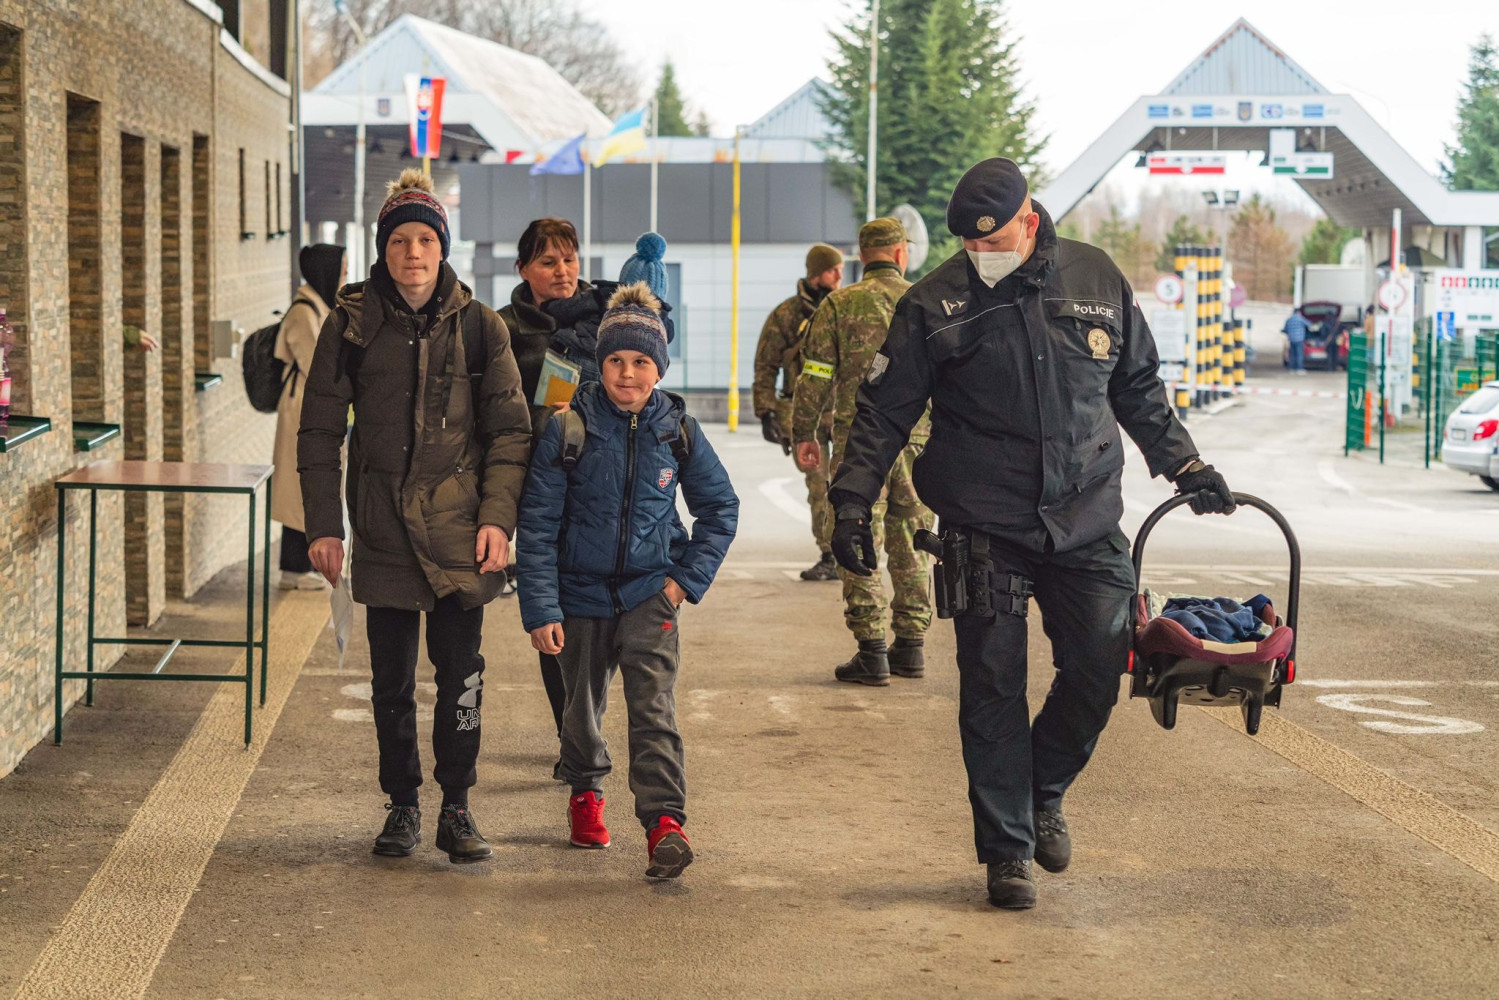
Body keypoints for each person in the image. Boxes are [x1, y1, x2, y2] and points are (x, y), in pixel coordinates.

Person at [828, 158, 1238, 910]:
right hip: (986, 520)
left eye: (993, 242)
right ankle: (1006, 850)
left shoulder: (1094, 276)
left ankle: (1040, 789)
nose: (980, 255)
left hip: (1085, 517)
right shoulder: (934, 302)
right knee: (991, 685)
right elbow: (883, 411)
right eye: (969, 247)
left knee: (1096, 667)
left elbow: (1136, 386)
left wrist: (1184, 465)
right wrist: (851, 502)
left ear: (1028, 219)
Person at [299, 169, 532, 865]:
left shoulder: (482, 328)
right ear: (383, 248)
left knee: (462, 677)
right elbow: (317, 432)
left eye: (424, 239)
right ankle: (402, 805)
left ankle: (456, 807)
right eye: (399, 239)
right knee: (391, 684)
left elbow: (511, 432)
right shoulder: (349, 325)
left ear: (442, 247)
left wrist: (498, 517)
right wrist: (323, 525)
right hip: (382, 529)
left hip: (461, 530)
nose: (412, 252)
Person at [517, 283, 738, 880]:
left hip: (650, 592)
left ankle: (665, 823)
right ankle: (585, 792)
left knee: (654, 708)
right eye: (616, 360)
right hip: (580, 594)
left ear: (659, 368)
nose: (627, 372)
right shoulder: (569, 428)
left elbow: (721, 509)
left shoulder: (678, 429)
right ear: (601, 363)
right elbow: (536, 525)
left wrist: (682, 582)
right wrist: (541, 609)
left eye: (642, 361)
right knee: (581, 709)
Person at [499, 224, 675, 775]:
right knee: (558, 624)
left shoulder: (605, 317)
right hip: (540, 478)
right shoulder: (505, 331)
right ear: (524, 268)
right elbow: (495, 411)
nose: (563, 270)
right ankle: (571, 737)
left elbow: (655, 341)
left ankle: (579, 739)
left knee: (610, 638)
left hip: (605, 483)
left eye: (569, 259)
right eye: (548, 261)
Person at [792, 219, 933, 684]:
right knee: (913, 540)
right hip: (918, 442)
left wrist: (804, 434)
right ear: (900, 254)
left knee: (856, 537)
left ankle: (871, 649)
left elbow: (813, 376)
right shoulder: (926, 301)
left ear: (862, 255)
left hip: (858, 447)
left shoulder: (838, 304)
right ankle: (911, 645)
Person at [752, 244, 844, 581]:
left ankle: (850, 549)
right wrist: (766, 413)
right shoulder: (787, 315)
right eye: (833, 269)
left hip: (845, 410)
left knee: (848, 483)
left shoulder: (845, 307)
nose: (840, 274)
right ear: (817, 272)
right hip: (802, 412)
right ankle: (829, 554)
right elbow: (766, 364)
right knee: (818, 485)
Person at [273, 243, 345, 590]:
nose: (344, 275)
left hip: (306, 410)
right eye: (341, 269)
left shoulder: (317, 306)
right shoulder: (304, 312)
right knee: (296, 492)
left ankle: (301, 565)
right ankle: (294, 568)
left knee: (302, 492)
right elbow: (317, 364)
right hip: (299, 412)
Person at [1283, 306, 1309, 375]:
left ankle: (1292, 369)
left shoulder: (1289, 319)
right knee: (1299, 354)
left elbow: (1285, 329)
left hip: (1291, 339)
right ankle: (1299, 369)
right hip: (1299, 339)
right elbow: (1309, 325)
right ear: (1299, 312)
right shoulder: (1300, 319)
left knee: (1292, 354)